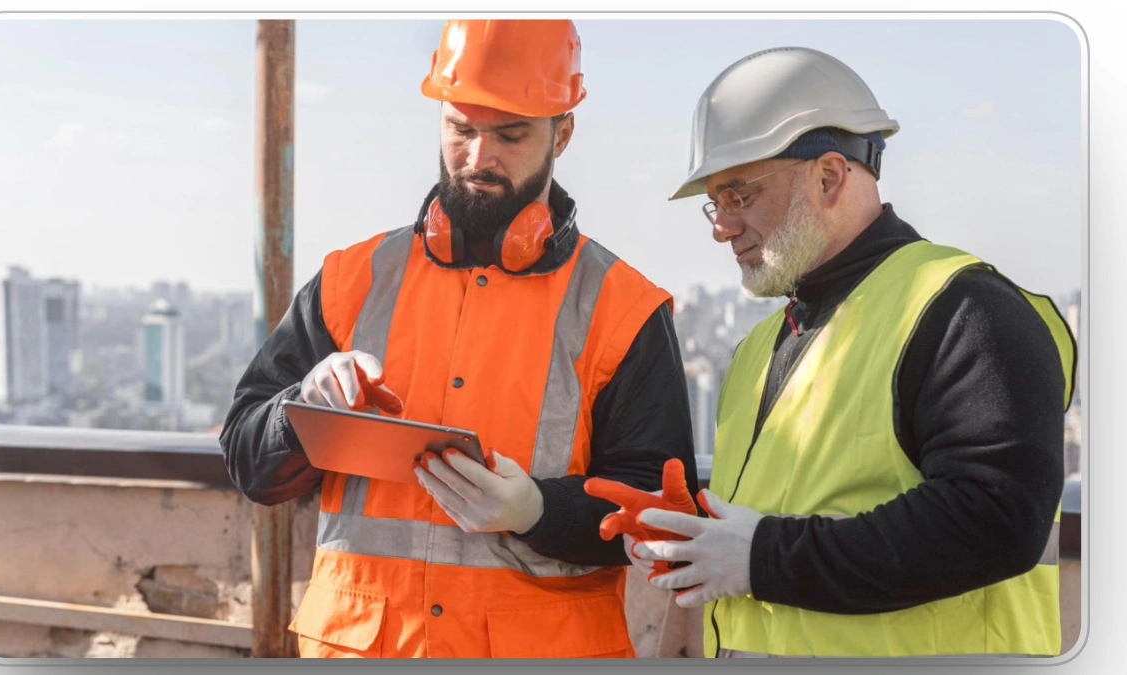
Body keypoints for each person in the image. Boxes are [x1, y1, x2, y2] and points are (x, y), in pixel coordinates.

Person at [218, 19, 698, 659]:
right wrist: (303, 409)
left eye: (510, 134)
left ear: (564, 130)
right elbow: (250, 464)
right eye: (461, 130)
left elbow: (657, 513)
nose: (479, 157)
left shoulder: (623, 308)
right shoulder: (350, 281)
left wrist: (537, 510)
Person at [613, 46, 1076, 658]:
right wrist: (697, 529)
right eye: (715, 202)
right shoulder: (761, 348)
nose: (721, 227)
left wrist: (760, 558)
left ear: (829, 176)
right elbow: (808, 504)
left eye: (740, 196)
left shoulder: (964, 310)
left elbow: (995, 520)